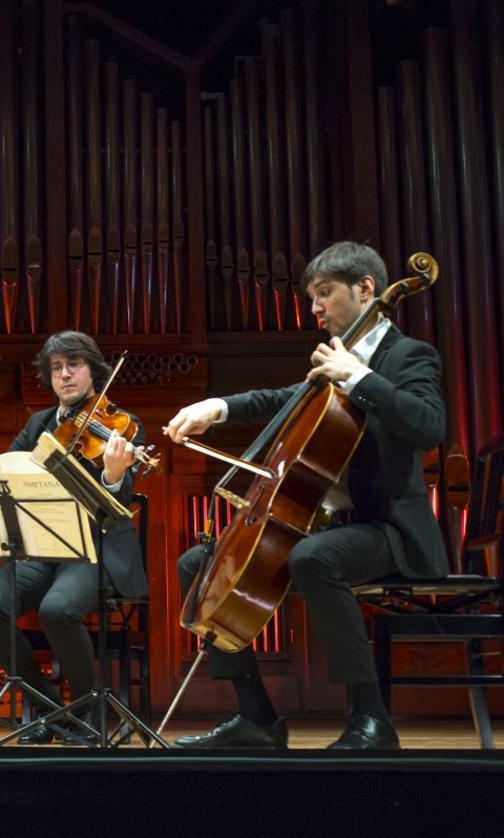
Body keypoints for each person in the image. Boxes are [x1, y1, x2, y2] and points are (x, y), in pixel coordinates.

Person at [165, 241, 447, 750]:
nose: (314, 308)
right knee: (198, 564)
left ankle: (372, 719)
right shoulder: (336, 361)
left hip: (388, 532)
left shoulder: (407, 356)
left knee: (315, 558)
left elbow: (428, 426)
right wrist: (216, 406)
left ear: (365, 289)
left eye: (324, 293)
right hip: (334, 531)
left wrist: (359, 378)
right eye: (311, 297)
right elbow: (280, 400)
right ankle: (257, 720)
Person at [0, 331, 147, 745]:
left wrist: (114, 474)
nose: (65, 375)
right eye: (56, 368)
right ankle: (51, 709)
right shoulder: (40, 424)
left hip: (91, 548)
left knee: (58, 610)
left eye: (74, 365)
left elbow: (119, 498)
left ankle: (85, 710)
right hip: (39, 546)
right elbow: (5, 469)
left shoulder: (121, 425)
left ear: (93, 370)